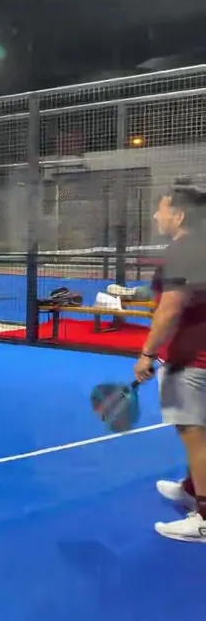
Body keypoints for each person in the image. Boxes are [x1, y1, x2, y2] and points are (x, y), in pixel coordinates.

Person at [137, 181, 206, 542]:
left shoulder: (182, 251)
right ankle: (192, 488)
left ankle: (204, 517)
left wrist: (147, 354)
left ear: (178, 216)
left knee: (194, 434)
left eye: (161, 208)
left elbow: (170, 309)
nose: (155, 215)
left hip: (192, 358)